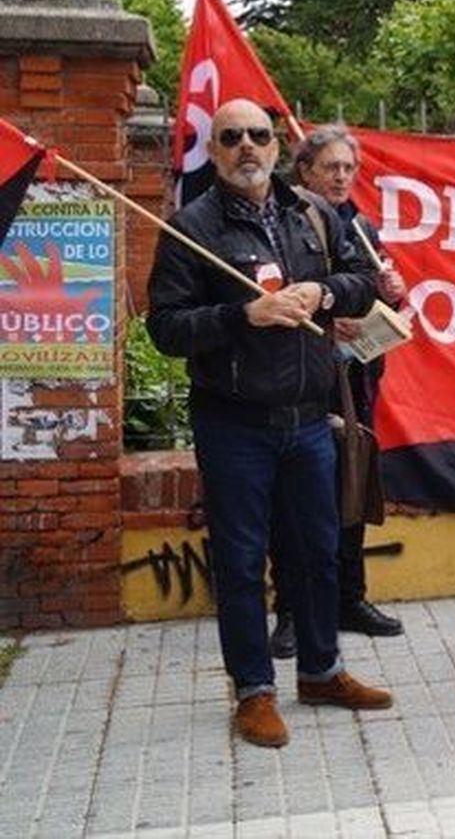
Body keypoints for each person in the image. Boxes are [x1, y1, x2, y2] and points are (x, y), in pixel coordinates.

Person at [148, 100, 394, 749]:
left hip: (310, 420)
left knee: (317, 553)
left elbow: (364, 281)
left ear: (276, 147)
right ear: (214, 150)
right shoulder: (191, 227)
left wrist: (324, 293)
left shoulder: (309, 214)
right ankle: (254, 690)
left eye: (258, 135)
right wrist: (242, 316)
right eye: (231, 137)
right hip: (234, 425)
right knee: (239, 562)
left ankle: (321, 671)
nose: (247, 147)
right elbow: (165, 328)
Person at [269, 126, 406, 658]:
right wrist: (329, 317)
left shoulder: (361, 226)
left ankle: (350, 599)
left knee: (352, 484)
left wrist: (393, 294)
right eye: (331, 167)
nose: (342, 177)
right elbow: (275, 296)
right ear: (304, 170)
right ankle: (290, 610)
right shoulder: (282, 223)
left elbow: (377, 296)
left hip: (354, 380)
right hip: (302, 380)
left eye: (349, 168)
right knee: (293, 498)